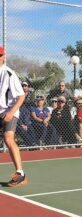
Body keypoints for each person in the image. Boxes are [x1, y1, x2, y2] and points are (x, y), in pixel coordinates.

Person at [0, 46, 28, 186]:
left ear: (3, 57)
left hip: (10, 111)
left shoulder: (9, 74)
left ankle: (20, 173)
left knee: (8, 138)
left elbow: (21, 96)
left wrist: (10, 113)